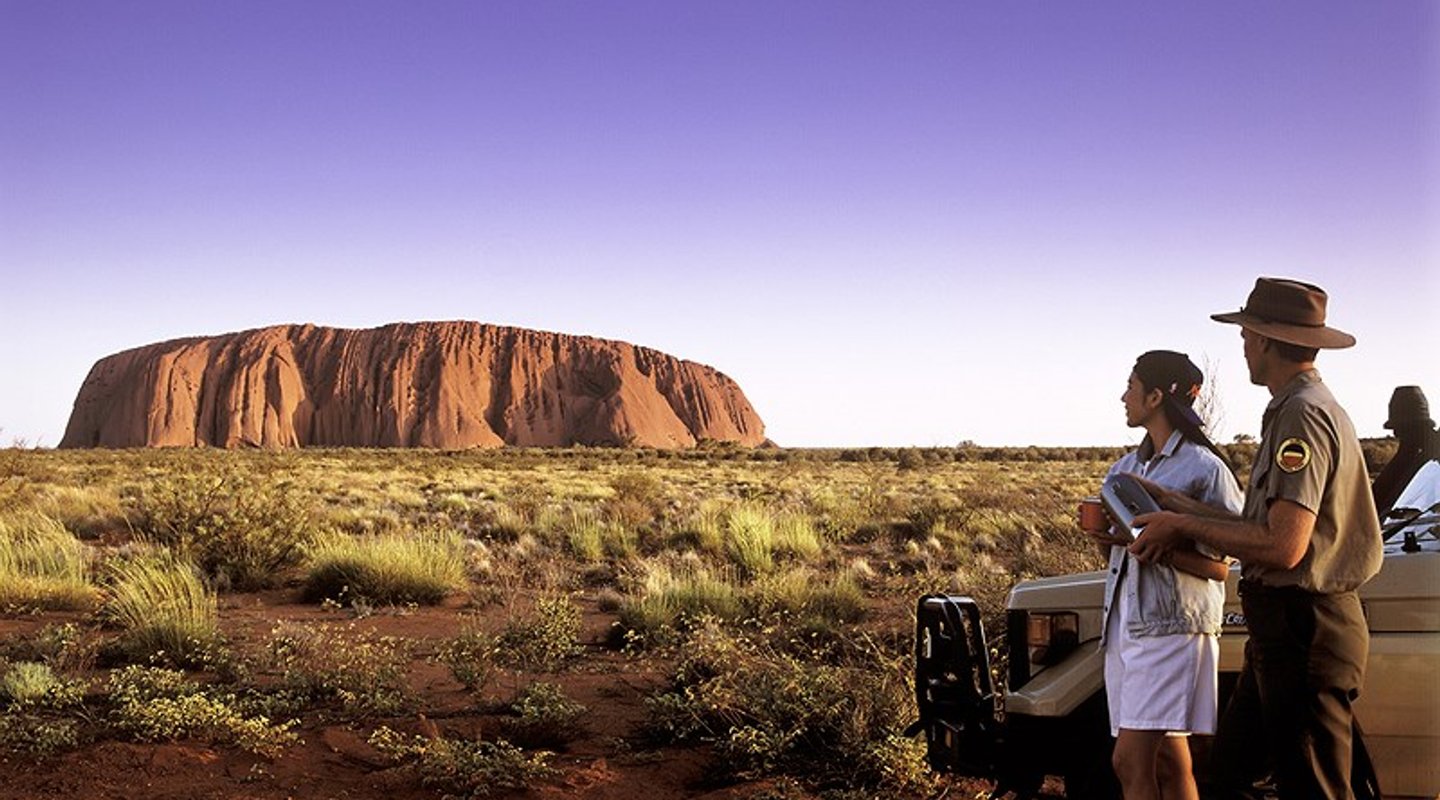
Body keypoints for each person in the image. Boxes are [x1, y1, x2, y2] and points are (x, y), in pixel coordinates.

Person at [1129, 277, 1383, 799]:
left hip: (1305, 629)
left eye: (1246, 335)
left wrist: (1180, 526)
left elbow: (1285, 547)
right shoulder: (1296, 407)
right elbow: (1265, 528)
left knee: (1314, 788)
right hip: (1282, 632)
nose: (1242, 346)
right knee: (1224, 778)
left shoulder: (1302, 414)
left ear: (1266, 339)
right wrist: (1179, 504)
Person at [1079, 350, 1243, 800]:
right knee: (1171, 761)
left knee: (1128, 760)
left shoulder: (1206, 469)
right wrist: (1106, 537)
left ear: (1155, 396)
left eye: (1130, 387)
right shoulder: (1124, 470)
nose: (1122, 397)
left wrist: (1165, 551)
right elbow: (1124, 555)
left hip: (1173, 630)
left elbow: (1223, 565)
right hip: (1126, 627)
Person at [1371, 385, 1440, 519]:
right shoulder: (1406, 456)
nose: (1395, 434)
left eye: (1401, 428)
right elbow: (1376, 500)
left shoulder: (1428, 459)